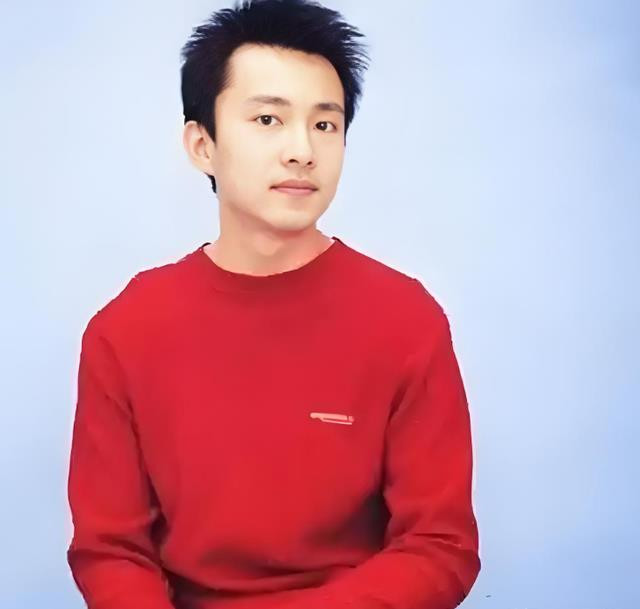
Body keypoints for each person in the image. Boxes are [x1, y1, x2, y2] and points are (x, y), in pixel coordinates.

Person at [65, 1, 481, 608]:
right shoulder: (126, 329)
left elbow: (441, 545)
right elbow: (111, 552)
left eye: (325, 125)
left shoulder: (405, 319)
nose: (301, 150)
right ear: (202, 145)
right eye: (267, 119)